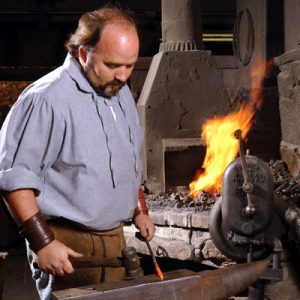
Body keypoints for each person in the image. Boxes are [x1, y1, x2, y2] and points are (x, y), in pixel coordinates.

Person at [0, 6, 155, 300]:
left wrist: (139, 211)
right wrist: (43, 242)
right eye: (112, 65)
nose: (123, 76)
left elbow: (127, 162)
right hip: (66, 243)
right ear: (84, 54)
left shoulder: (118, 93)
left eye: (130, 65)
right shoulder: (46, 98)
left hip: (115, 241)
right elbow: (14, 179)